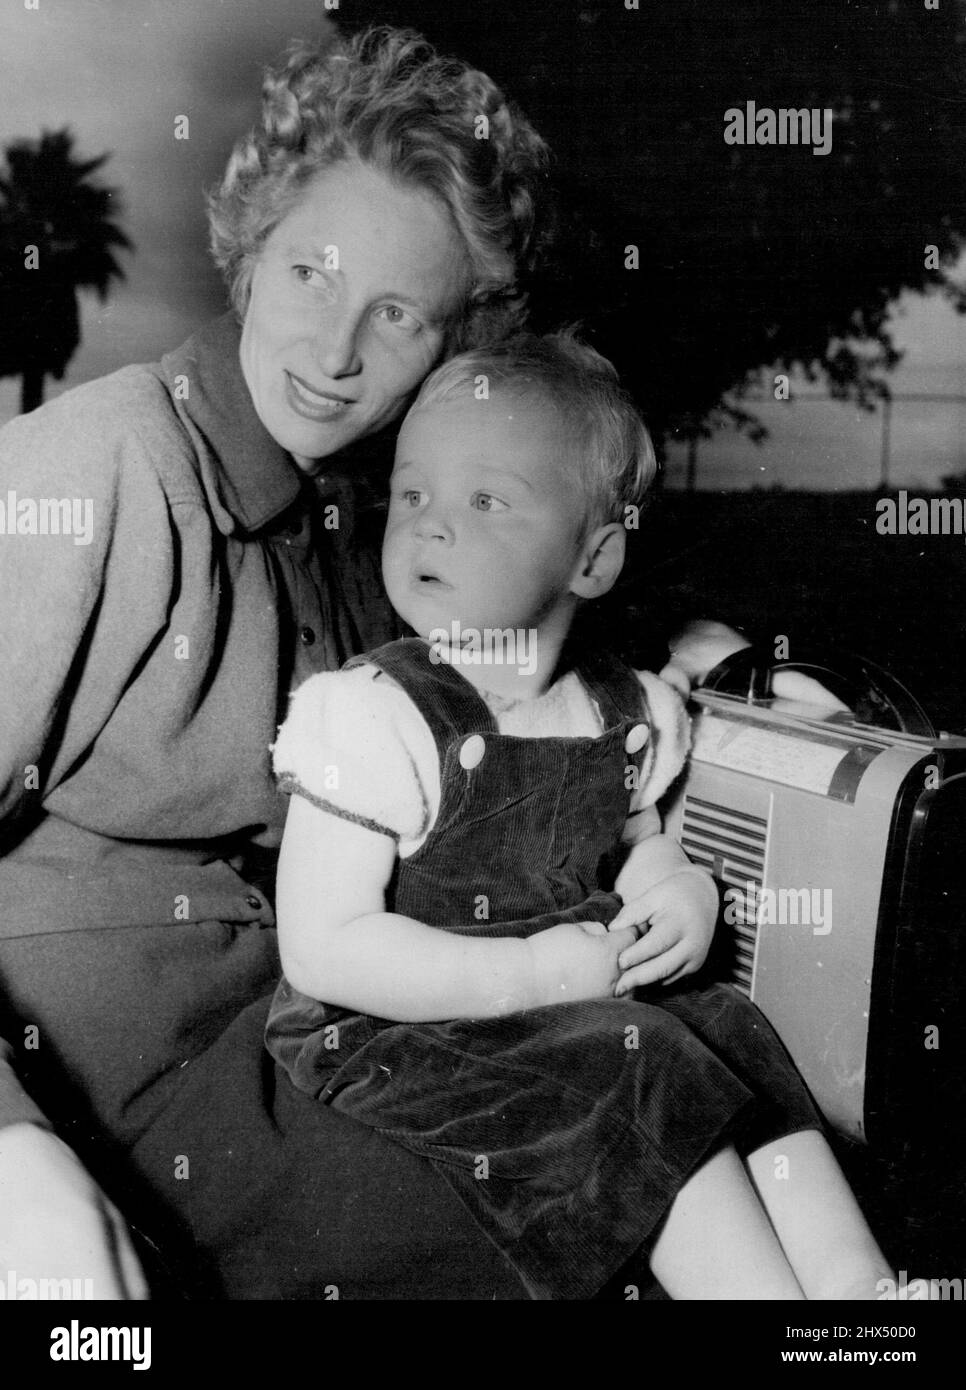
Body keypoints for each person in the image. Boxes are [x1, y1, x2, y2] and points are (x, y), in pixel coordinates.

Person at [0, 26, 556, 1300]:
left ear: (454, 344)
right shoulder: (100, 471)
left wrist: (708, 656)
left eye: (399, 312)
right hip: (97, 1111)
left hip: (282, 1052)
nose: (337, 349)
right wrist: (10, 1155)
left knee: (631, 1083)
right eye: (311, 270)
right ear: (250, 252)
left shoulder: (344, 523)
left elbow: (494, 652)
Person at [262, 332, 895, 1301]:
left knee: (726, 1023)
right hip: (401, 1022)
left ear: (593, 560)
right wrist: (529, 970)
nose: (430, 525)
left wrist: (676, 892)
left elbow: (631, 844)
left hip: (570, 982)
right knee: (634, 1072)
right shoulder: (371, 715)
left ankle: (859, 1296)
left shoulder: (618, 709)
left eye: (486, 501)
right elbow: (323, 949)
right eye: (416, 491)